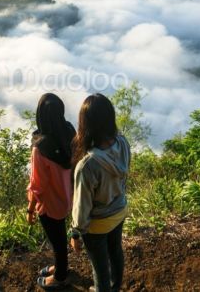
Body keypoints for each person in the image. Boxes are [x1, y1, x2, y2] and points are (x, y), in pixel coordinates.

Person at [69, 93, 131, 292]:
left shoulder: (88, 165)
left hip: (98, 224)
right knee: (116, 253)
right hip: (119, 211)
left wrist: (76, 232)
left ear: (85, 124)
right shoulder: (123, 143)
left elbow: (82, 205)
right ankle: (115, 287)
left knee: (100, 269)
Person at [27, 93, 76, 290]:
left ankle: (60, 276)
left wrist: (30, 209)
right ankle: (61, 266)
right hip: (70, 197)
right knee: (60, 239)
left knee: (57, 241)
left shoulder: (40, 148)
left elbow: (37, 185)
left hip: (50, 203)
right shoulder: (70, 131)